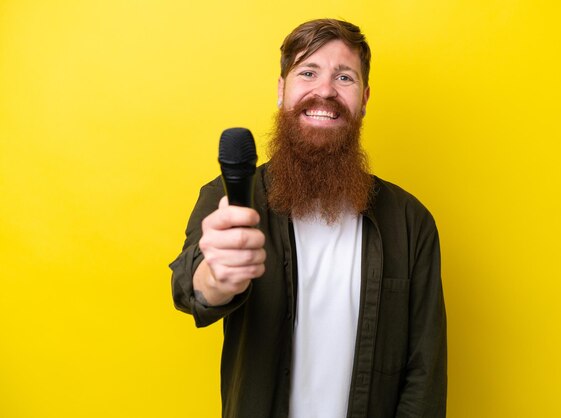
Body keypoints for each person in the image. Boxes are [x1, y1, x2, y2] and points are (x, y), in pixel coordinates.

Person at [170, 18, 447, 418]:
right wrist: (215, 278)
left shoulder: (410, 222)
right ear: (282, 90)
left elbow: (425, 373)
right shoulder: (228, 197)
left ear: (364, 98)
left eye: (344, 78)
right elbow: (190, 286)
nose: (325, 91)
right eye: (308, 72)